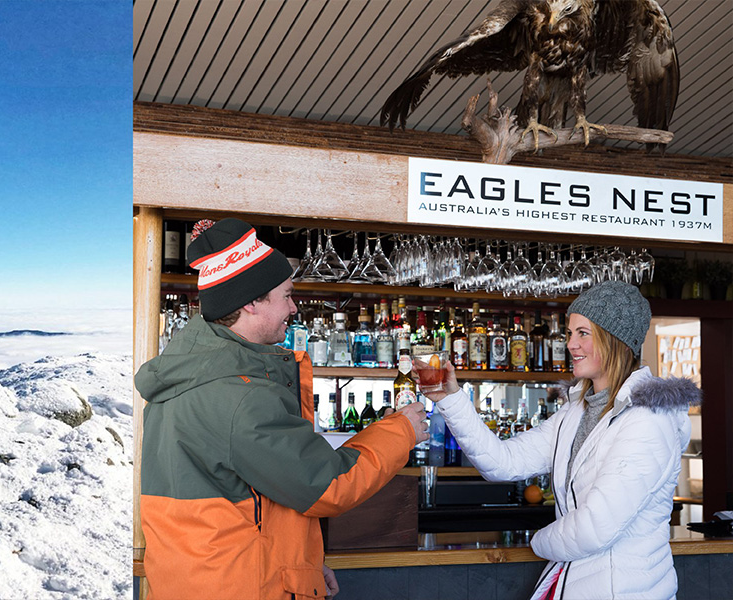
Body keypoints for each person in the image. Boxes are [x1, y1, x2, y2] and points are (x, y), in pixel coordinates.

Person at [136, 218, 428, 599]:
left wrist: (298, 561)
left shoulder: (190, 371)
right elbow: (328, 485)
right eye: (286, 295)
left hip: (205, 581)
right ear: (252, 302)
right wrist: (401, 430)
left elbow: (243, 501)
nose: (294, 307)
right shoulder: (238, 393)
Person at [418, 280, 700, 599]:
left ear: (616, 340)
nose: (570, 345)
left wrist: (539, 542)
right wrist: (451, 398)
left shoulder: (647, 421)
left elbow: (594, 527)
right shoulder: (575, 412)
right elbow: (501, 463)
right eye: (569, 333)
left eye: (583, 333)